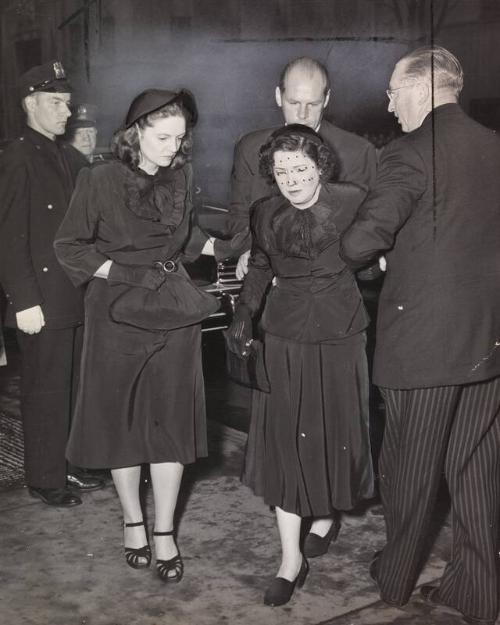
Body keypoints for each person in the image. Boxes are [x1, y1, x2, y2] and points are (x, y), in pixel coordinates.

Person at [341, 46, 500, 625]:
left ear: (419, 89)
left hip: (424, 348)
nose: (388, 103)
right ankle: (479, 591)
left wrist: (369, 255)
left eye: (391, 92)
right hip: (487, 345)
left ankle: (396, 578)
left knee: (409, 465)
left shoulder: (409, 152)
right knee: (477, 469)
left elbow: (361, 242)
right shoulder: (495, 148)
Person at [54, 88, 215, 582]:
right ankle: (133, 521)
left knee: (170, 421)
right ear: (135, 133)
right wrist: (125, 275)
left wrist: (224, 246)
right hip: (116, 312)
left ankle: (164, 530)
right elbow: (70, 246)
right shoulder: (98, 178)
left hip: (173, 307)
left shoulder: (181, 176)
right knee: (121, 422)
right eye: (162, 137)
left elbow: (184, 237)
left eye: (180, 139)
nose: (172, 148)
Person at [226, 124, 374, 606]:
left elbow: (382, 247)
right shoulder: (264, 211)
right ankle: (290, 557)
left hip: (340, 333)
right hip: (284, 334)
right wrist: (244, 314)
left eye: (300, 168)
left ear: (320, 166)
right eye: (281, 170)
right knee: (287, 440)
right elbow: (262, 267)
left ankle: (328, 513)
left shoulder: (353, 200)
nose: (291, 179)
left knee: (333, 431)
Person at [0, 60, 103, 507]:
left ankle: (71, 465)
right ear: (30, 104)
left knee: (75, 386)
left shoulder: (67, 156)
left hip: (74, 295)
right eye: (55, 103)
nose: (67, 112)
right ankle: (45, 477)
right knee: (45, 390)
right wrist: (23, 299)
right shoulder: (18, 157)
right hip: (40, 298)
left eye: (67, 102)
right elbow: (9, 234)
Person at [227, 56, 377, 279]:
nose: (303, 114)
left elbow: (362, 228)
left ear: (326, 99)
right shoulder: (249, 147)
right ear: (279, 96)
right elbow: (239, 214)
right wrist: (251, 250)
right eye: (294, 103)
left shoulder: (357, 151)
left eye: (313, 104)